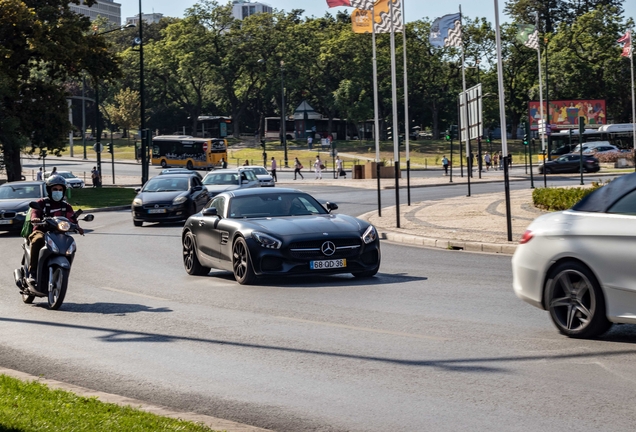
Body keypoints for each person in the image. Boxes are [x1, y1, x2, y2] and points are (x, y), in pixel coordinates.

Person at [27, 176, 83, 288]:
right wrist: (35, 219)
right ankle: (32, 272)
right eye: (55, 189)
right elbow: (35, 212)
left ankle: (64, 274)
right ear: (49, 190)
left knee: (71, 245)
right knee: (37, 240)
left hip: (59, 234)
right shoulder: (42, 203)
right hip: (41, 231)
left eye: (60, 190)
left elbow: (72, 219)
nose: (58, 192)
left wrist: (77, 227)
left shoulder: (66, 206)